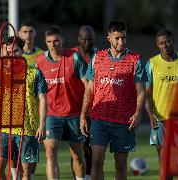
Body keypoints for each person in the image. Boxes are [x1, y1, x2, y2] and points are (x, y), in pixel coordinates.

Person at [80, 20, 147, 180]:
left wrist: (138, 113)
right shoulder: (98, 58)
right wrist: (83, 114)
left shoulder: (135, 60)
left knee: (121, 166)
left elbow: (141, 91)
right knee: (96, 160)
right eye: (117, 38)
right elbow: (89, 88)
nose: (121, 42)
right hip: (99, 119)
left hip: (124, 120)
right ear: (109, 37)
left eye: (123, 37)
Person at [0, 36, 47, 180]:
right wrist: (3, 59)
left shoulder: (35, 73)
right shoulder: (1, 71)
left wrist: (42, 125)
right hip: (4, 127)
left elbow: (42, 98)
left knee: (25, 174)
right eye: (8, 52)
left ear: (22, 51)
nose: (12, 55)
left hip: (26, 128)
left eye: (15, 51)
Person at [35, 26, 87, 180]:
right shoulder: (39, 62)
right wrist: (41, 122)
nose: (53, 44)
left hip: (74, 114)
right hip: (51, 115)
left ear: (62, 40)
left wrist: (85, 113)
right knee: (50, 153)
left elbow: (88, 85)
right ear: (45, 42)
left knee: (77, 155)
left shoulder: (75, 58)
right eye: (49, 41)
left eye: (56, 40)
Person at [145, 29, 178, 164]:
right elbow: (147, 93)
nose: (165, 45)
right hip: (160, 118)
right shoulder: (152, 64)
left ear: (173, 41)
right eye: (161, 43)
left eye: (168, 41)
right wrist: (150, 115)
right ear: (157, 45)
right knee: (164, 161)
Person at [9, 19, 44, 180]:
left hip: (33, 112)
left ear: (35, 33)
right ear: (19, 34)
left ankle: (29, 175)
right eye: (24, 31)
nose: (28, 35)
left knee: (31, 154)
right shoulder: (10, 56)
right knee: (12, 153)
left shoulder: (42, 56)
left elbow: (43, 87)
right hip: (13, 112)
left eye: (31, 31)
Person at [71, 25, 97, 180]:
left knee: (92, 148)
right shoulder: (71, 55)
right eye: (85, 39)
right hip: (74, 108)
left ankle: (88, 176)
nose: (88, 42)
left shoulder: (99, 56)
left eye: (90, 39)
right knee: (76, 148)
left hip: (94, 108)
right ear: (79, 39)